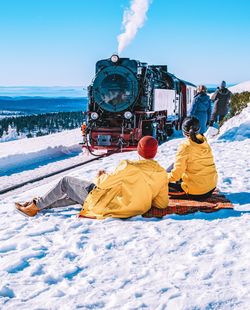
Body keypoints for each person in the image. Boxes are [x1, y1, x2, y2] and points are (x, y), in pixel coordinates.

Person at [16, 136, 169, 219]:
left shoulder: (129, 166)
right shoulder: (161, 173)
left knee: (66, 182)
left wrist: (101, 176)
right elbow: (162, 203)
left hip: (111, 206)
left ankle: (35, 206)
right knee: (76, 195)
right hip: (135, 209)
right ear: (155, 152)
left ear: (139, 150)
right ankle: (38, 205)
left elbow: (103, 184)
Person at [167, 117, 218, 200]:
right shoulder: (204, 142)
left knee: (161, 185)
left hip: (196, 193)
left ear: (183, 132)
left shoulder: (185, 147)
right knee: (175, 164)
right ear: (199, 129)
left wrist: (163, 177)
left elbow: (176, 176)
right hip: (211, 186)